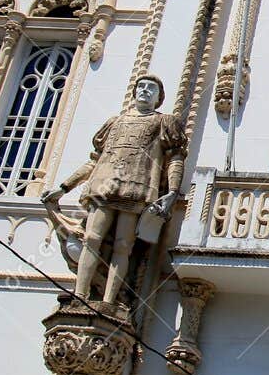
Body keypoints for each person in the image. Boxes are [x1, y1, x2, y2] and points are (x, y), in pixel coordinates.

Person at [43, 74, 185, 309]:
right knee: (91, 238)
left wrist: (172, 191)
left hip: (135, 189)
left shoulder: (163, 122)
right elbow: (94, 162)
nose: (145, 91)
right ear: (134, 92)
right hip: (103, 187)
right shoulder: (114, 123)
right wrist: (63, 187)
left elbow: (175, 158)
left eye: (152, 88)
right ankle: (81, 292)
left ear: (160, 98)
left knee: (122, 244)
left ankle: (109, 300)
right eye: (141, 86)